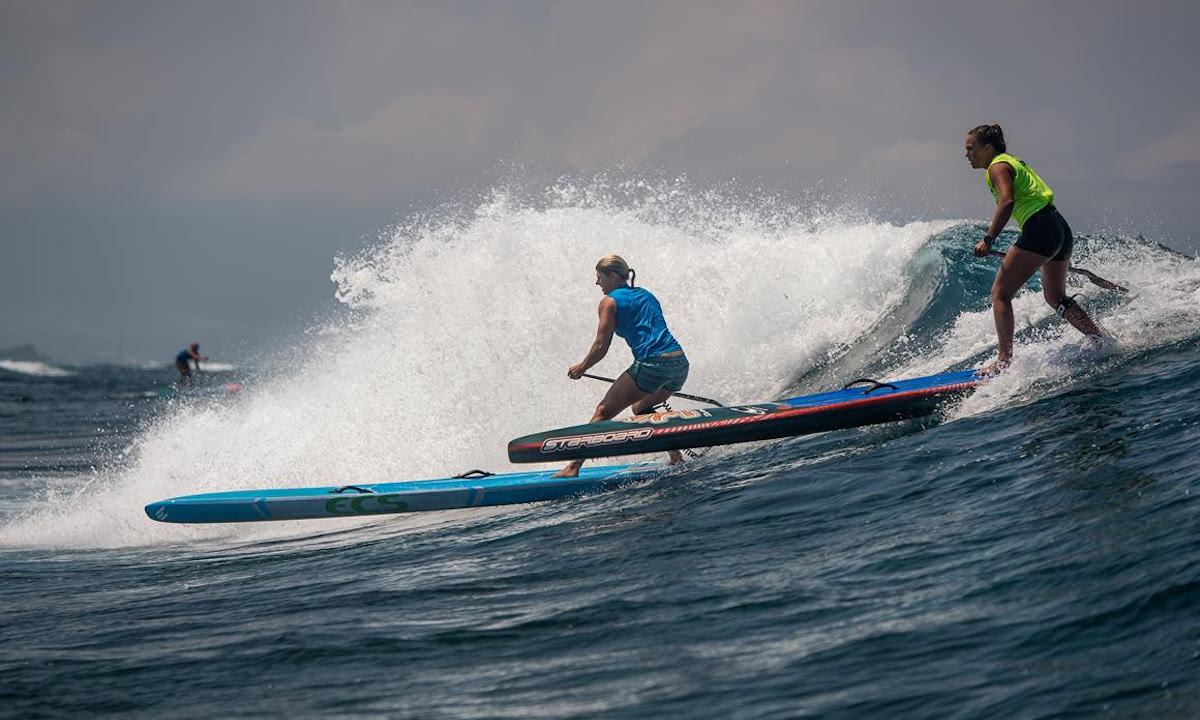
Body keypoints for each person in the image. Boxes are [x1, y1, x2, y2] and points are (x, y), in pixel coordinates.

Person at [965, 124, 1107, 375]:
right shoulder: (1011, 161)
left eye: (971, 149)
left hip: (1039, 228)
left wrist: (989, 239)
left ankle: (1003, 361)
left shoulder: (997, 166)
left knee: (1000, 293)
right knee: (1055, 298)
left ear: (988, 148)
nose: (967, 155)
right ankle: (1100, 339)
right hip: (1058, 227)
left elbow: (1007, 201)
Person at [553, 255, 690, 478]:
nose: (597, 283)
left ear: (614, 276)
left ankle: (573, 467)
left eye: (600, 278)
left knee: (602, 412)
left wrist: (582, 367)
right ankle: (676, 457)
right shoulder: (646, 294)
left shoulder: (609, 302)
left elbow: (600, 346)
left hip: (652, 364)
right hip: (679, 364)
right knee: (640, 408)